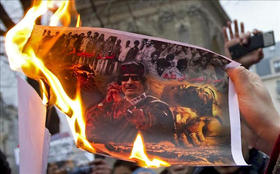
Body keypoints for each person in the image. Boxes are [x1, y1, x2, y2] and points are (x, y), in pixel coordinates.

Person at [86, 61, 175, 144]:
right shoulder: (113, 106)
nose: (129, 82)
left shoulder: (159, 106)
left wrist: (122, 103)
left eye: (135, 78)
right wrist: (105, 103)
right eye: (125, 78)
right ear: (120, 84)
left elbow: (145, 122)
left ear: (144, 83)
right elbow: (91, 126)